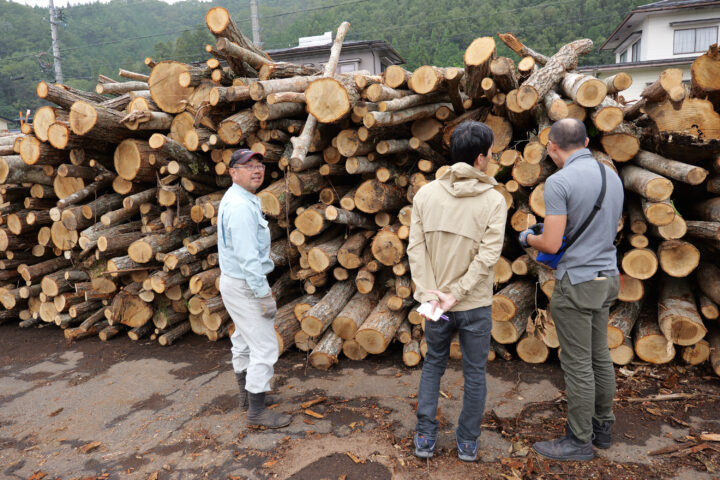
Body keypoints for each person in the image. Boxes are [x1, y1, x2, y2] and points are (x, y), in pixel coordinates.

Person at [518, 118, 623, 461]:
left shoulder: (559, 182)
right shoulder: (612, 176)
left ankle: (578, 441)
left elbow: (550, 241)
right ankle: (602, 429)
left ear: (551, 147)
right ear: (587, 140)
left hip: (576, 282)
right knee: (599, 356)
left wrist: (526, 237)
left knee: (578, 364)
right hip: (607, 277)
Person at [408, 121, 507, 462]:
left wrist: (430, 293)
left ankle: (424, 437)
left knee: (433, 364)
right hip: (474, 303)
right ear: (480, 159)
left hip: (437, 302)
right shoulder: (494, 200)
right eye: (491, 153)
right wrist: (458, 293)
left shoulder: (425, 193)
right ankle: (467, 442)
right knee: (474, 372)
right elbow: (488, 257)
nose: (492, 158)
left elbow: (415, 249)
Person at [217, 148, 291, 429]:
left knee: (244, 340)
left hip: (235, 282)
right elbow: (249, 259)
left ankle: (247, 398)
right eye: (248, 166)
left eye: (259, 165)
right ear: (233, 172)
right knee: (265, 345)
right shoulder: (240, 206)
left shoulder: (239, 198)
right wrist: (263, 293)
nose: (257, 170)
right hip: (246, 284)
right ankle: (257, 413)